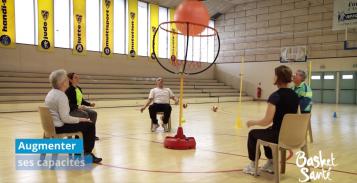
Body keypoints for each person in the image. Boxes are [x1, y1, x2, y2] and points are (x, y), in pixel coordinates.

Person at [243, 65, 299, 175]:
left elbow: (266, 121)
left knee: (253, 134)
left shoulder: (275, 96)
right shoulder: (295, 95)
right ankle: (271, 162)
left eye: (274, 75)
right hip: (292, 135)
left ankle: (253, 165)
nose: (273, 77)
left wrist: (252, 122)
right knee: (268, 131)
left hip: (279, 136)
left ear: (278, 77)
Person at [45, 69, 102, 163]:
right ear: (63, 83)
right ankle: (86, 154)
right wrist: (81, 120)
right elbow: (66, 118)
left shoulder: (51, 93)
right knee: (90, 125)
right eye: (67, 80)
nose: (68, 81)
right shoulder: (61, 96)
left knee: (86, 122)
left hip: (52, 126)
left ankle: (78, 152)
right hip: (59, 127)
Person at [65, 72, 99, 140]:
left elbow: (82, 101)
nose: (78, 78)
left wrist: (90, 104)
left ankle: (91, 134)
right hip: (71, 110)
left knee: (93, 113)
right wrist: (78, 107)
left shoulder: (79, 89)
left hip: (79, 108)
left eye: (78, 77)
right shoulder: (68, 90)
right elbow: (67, 104)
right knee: (84, 114)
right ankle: (79, 136)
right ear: (70, 80)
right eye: (75, 77)